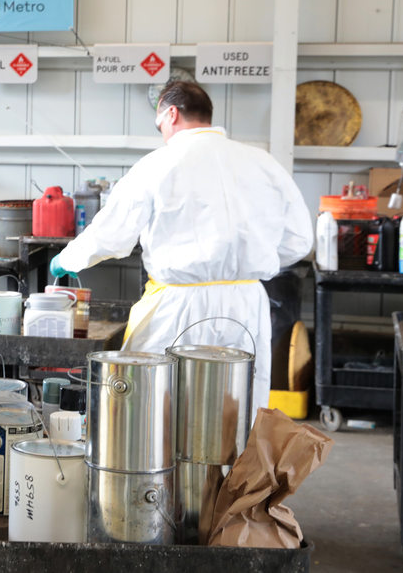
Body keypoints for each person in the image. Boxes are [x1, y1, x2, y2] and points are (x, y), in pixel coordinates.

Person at [49, 80, 313, 416]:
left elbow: (111, 233)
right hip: (247, 303)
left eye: (160, 125)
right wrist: (245, 265)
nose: (162, 134)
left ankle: (163, 468)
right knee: (235, 405)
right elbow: (299, 240)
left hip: (180, 304)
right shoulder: (263, 163)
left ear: (171, 113)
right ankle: (233, 470)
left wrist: (67, 258)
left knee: (152, 403)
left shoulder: (159, 163)